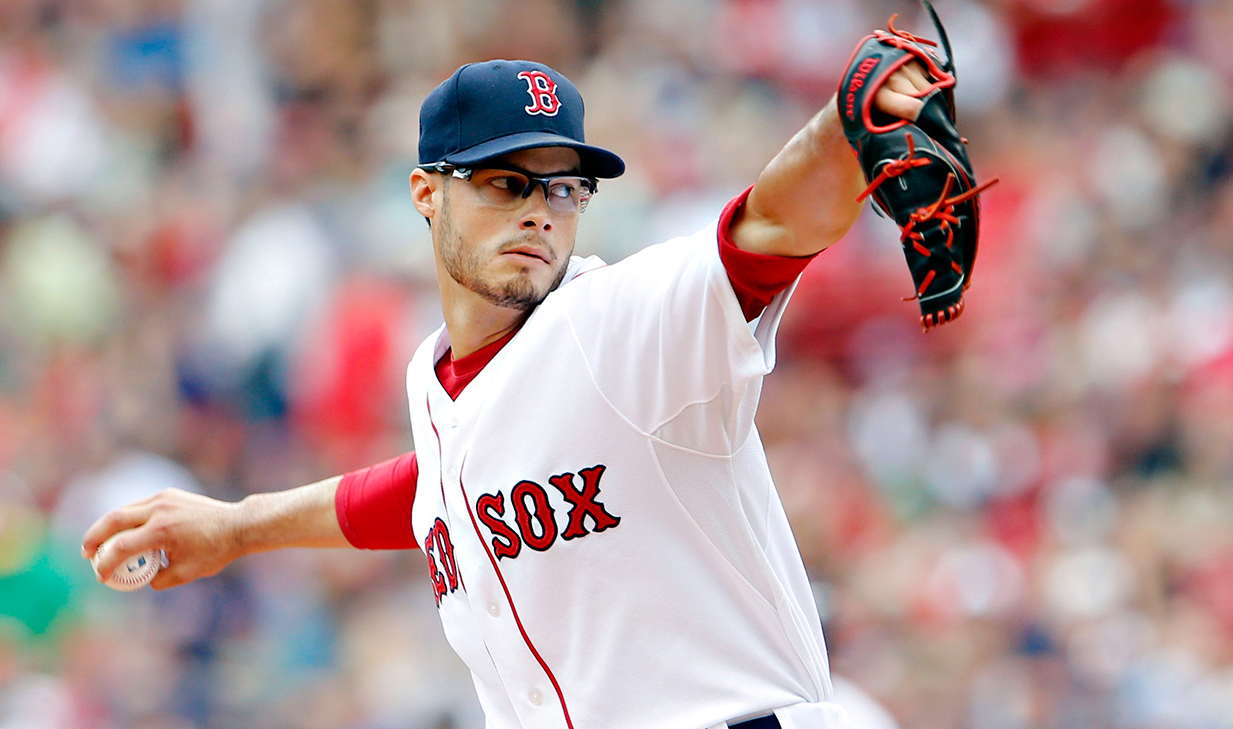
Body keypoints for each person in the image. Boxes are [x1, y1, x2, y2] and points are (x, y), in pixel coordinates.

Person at [84, 56, 939, 729]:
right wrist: (238, 526)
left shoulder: (617, 324)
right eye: (506, 182)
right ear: (426, 192)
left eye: (563, 187)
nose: (540, 211)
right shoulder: (438, 382)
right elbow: (435, 490)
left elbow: (767, 230)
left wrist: (844, 125)